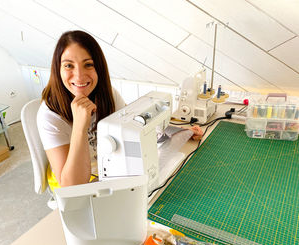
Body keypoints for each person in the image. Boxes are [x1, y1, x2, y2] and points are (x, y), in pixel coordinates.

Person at [37, 30, 203, 191]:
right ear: (57, 69)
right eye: (68, 66)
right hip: (79, 186)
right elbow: (72, 187)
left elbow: (132, 129)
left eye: (88, 64)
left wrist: (179, 132)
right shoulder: (49, 116)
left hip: (112, 172)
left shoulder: (107, 94)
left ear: (99, 68)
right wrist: (80, 127)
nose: (79, 76)